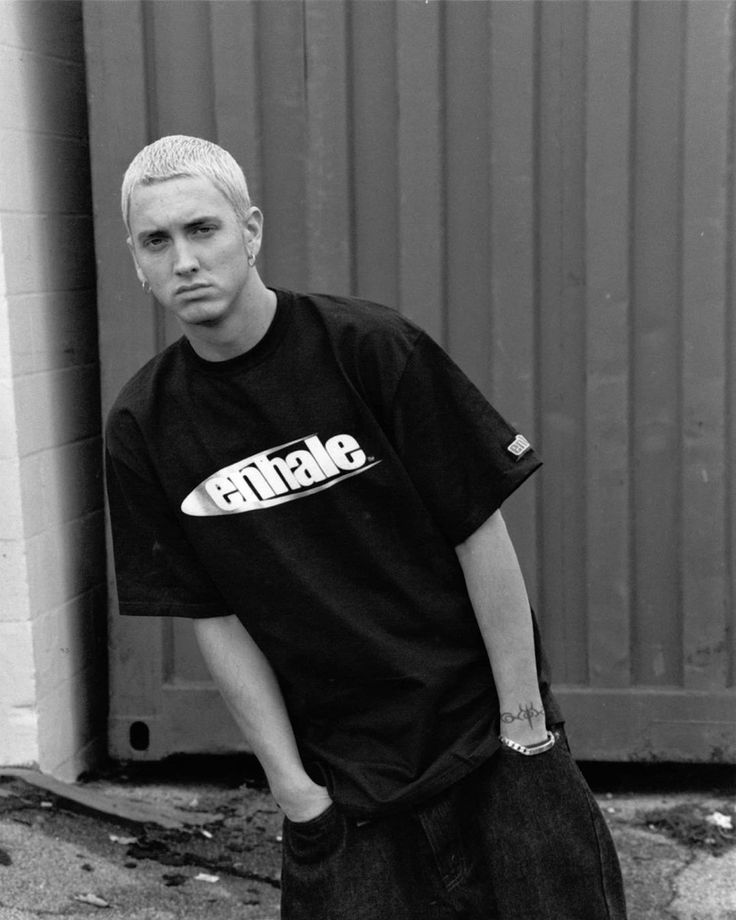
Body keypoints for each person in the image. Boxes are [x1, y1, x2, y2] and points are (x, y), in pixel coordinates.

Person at [106, 135, 627, 919]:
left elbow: (477, 531)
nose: (184, 259)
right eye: (158, 240)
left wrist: (526, 733)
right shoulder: (145, 428)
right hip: (343, 794)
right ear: (138, 263)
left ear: (250, 230)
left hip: (490, 748)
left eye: (203, 229)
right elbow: (213, 618)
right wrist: (293, 791)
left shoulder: (371, 350)